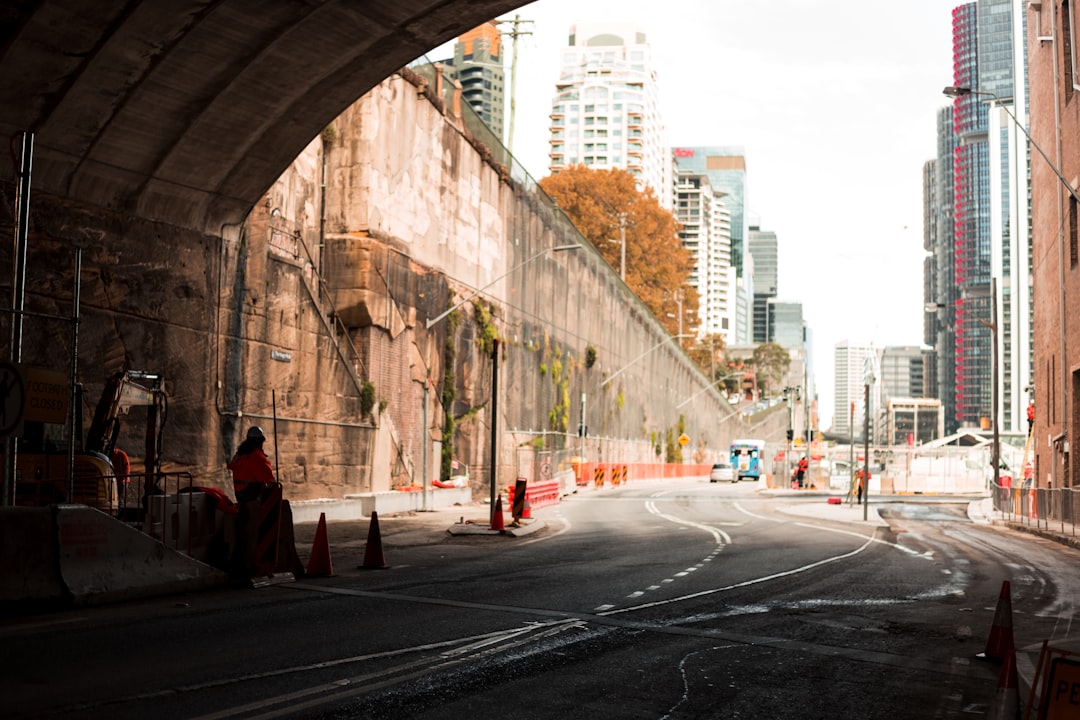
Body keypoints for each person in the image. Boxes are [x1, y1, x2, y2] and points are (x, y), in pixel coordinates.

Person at [228, 426, 276, 502]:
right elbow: (268, 479)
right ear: (260, 442)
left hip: (239, 495)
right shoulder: (257, 456)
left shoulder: (239, 455)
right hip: (252, 495)